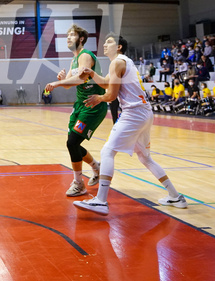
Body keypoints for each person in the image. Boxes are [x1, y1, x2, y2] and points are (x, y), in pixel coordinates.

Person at [74, 34, 186, 215]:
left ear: (118, 47)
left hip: (134, 113)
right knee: (145, 157)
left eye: (109, 42)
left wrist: (98, 99)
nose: (104, 44)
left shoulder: (117, 62)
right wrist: (93, 74)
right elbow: (105, 83)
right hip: (144, 112)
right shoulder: (122, 62)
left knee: (107, 151)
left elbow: (110, 95)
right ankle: (175, 196)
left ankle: (101, 201)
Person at [45, 25, 106, 197]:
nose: (68, 38)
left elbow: (82, 78)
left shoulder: (85, 55)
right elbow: (72, 84)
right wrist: (63, 81)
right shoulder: (74, 60)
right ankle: (96, 167)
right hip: (80, 105)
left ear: (81, 39)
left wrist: (57, 83)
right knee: (74, 143)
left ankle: (79, 183)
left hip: (92, 105)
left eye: (72, 35)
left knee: (72, 143)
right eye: (67, 35)